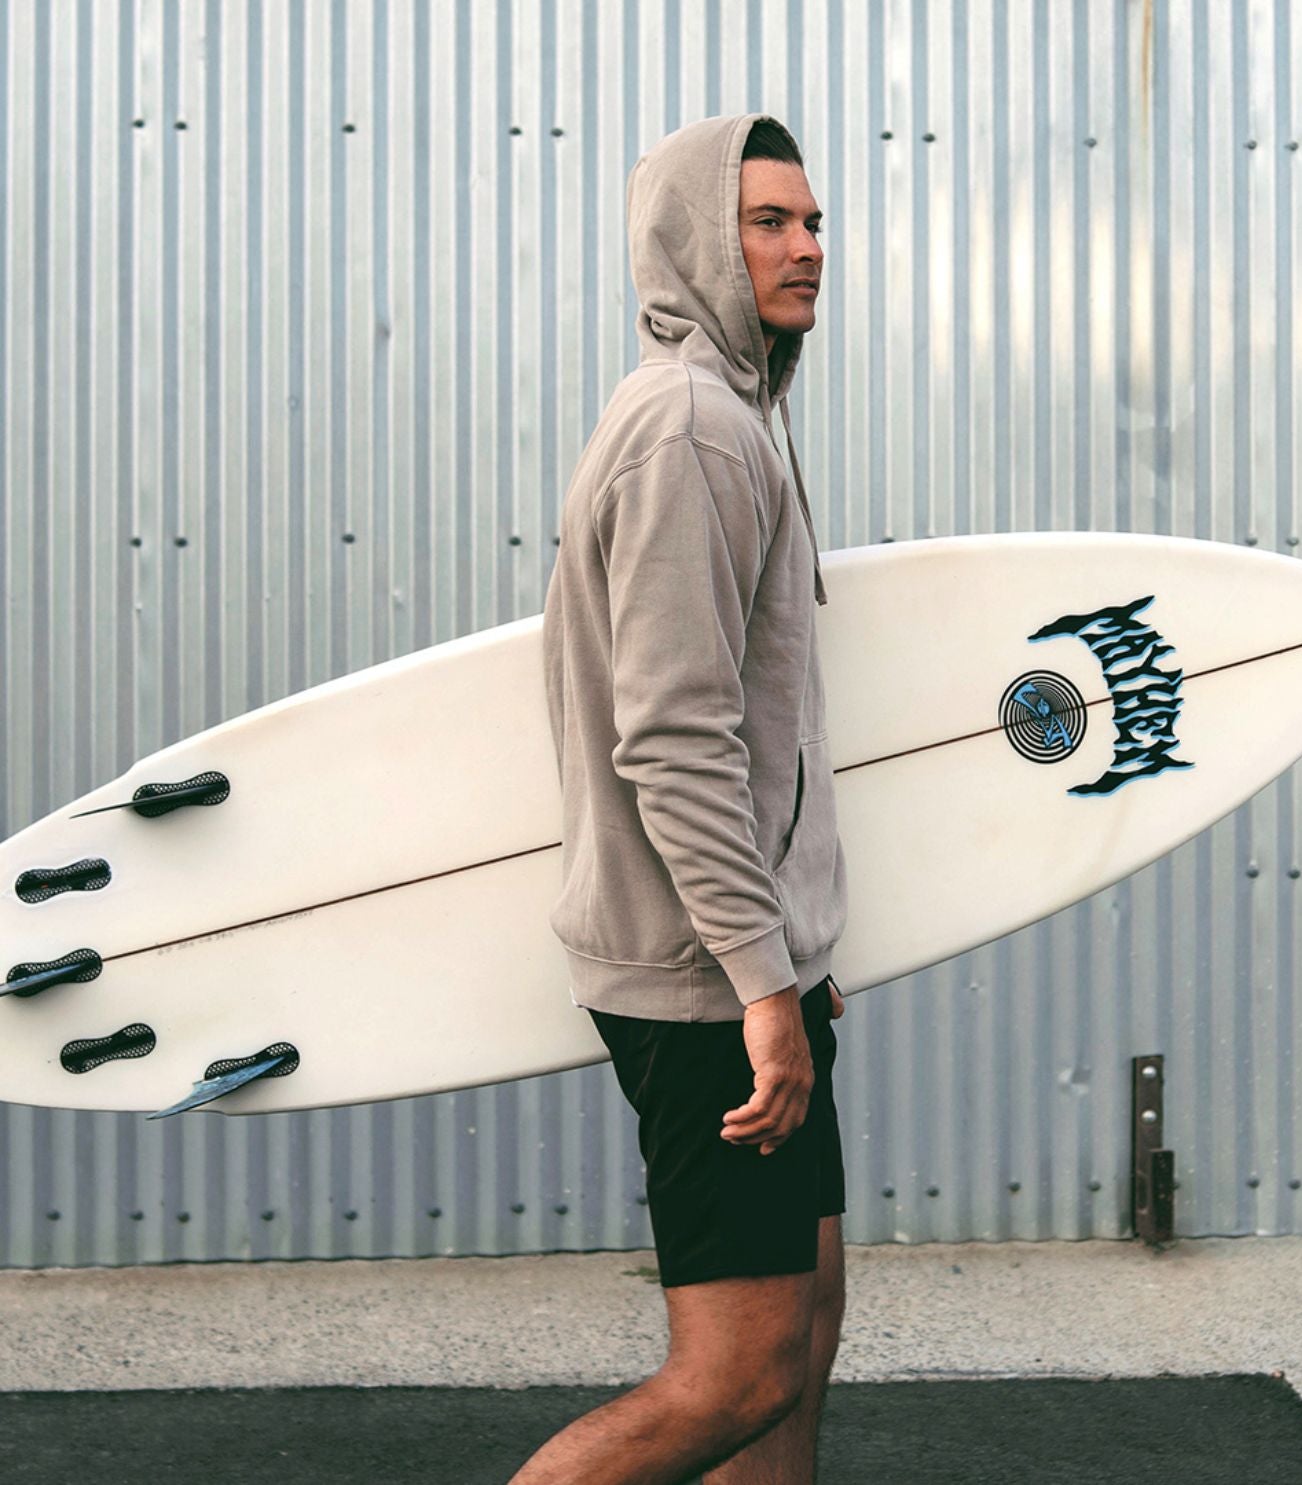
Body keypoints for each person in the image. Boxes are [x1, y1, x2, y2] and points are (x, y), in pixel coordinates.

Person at [512, 113, 849, 1484]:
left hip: (744, 961)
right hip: (702, 979)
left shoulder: (727, 416)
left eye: (814, 221)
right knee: (737, 1368)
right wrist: (759, 981)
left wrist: (795, 957)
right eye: (767, 222)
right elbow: (675, 740)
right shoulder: (694, 432)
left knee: (805, 1324)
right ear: (694, 242)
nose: (806, 247)